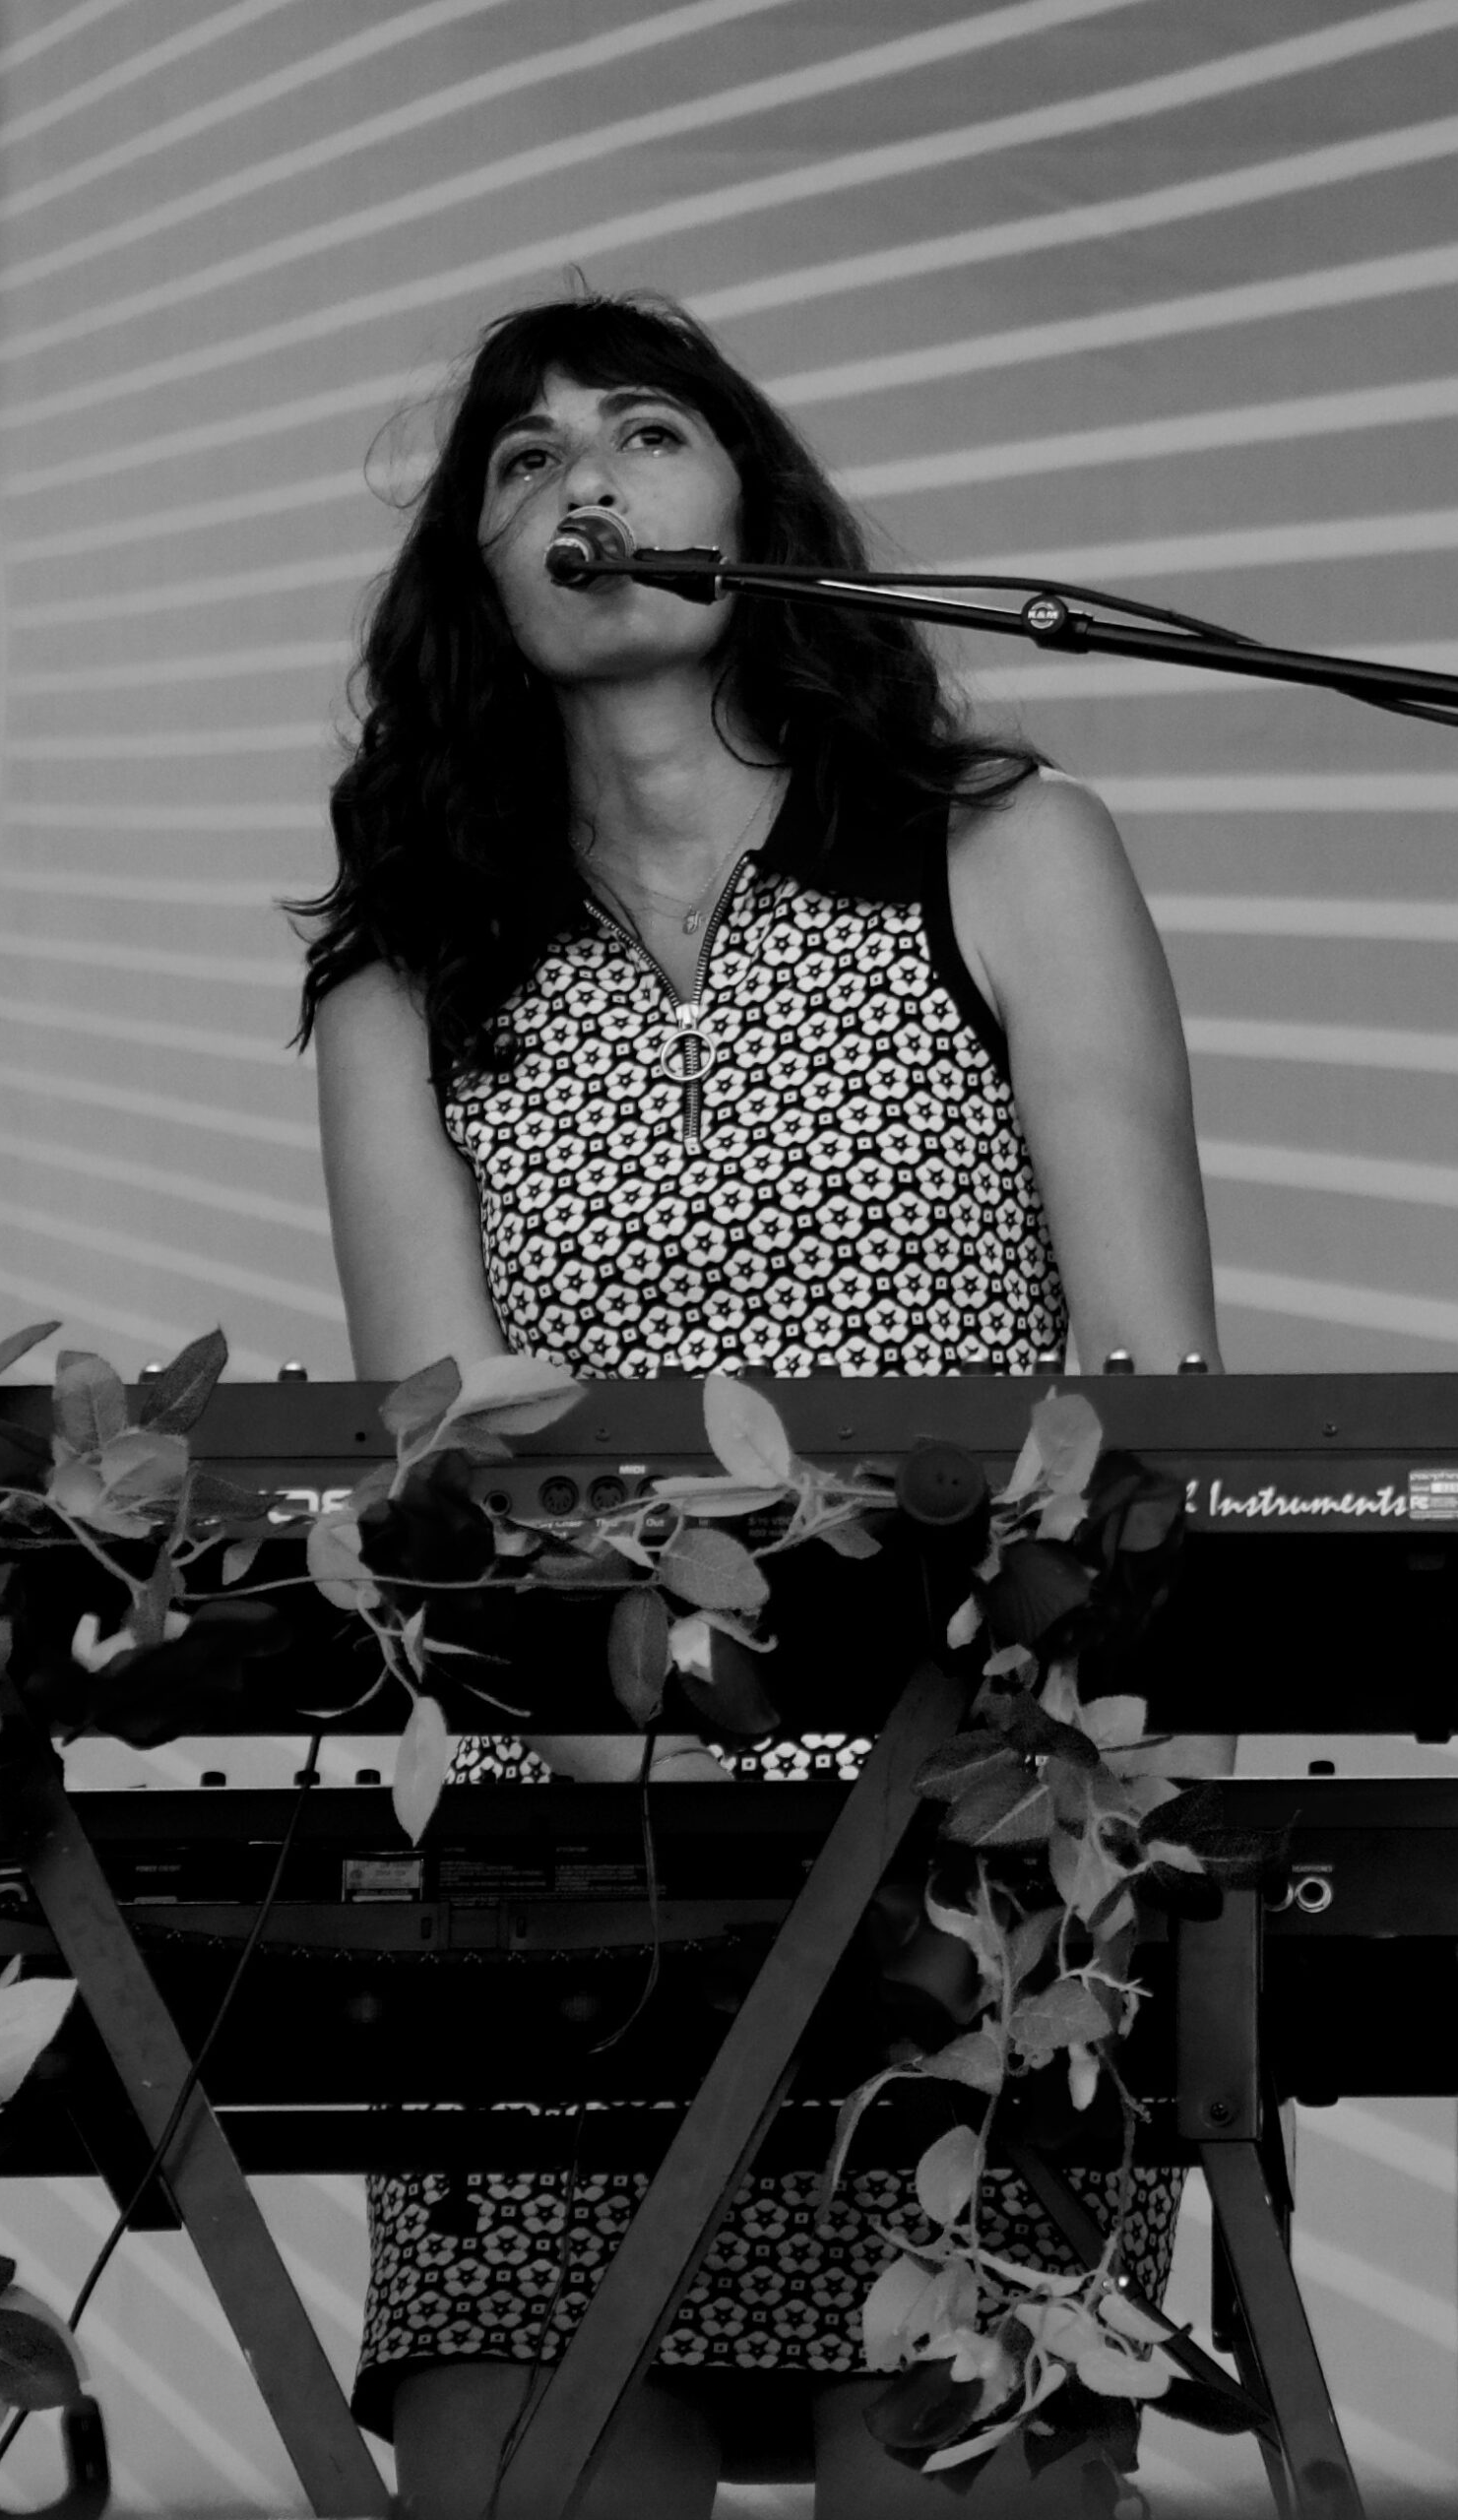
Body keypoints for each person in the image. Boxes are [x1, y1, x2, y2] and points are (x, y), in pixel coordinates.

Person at [298, 294, 1223, 2519]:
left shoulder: (1002, 849)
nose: (581, 481)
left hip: (974, 1871)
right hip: (572, 1893)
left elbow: (1156, 1380)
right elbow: (448, 1466)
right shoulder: (406, 973)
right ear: (476, 580)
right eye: (518, 464)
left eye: (640, 433)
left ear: (755, 521)